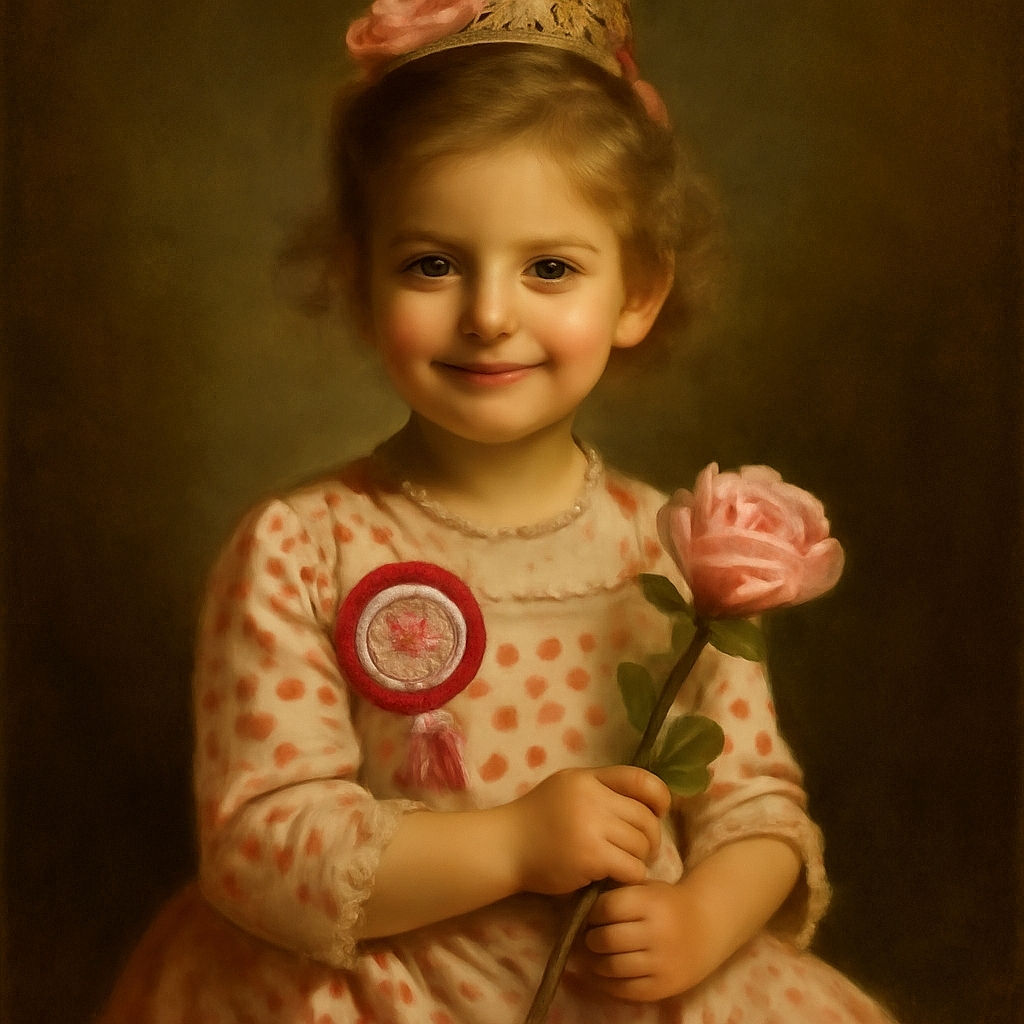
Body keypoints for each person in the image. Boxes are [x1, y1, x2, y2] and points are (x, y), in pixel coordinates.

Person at [99, 2, 898, 1021]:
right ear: (360, 276)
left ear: (637, 292)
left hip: (615, 981)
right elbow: (261, 842)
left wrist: (701, 917)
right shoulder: (302, 546)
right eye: (431, 264)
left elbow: (755, 804)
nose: (487, 314)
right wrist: (515, 842)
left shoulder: (682, 549)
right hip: (382, 987)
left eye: (549, 268)